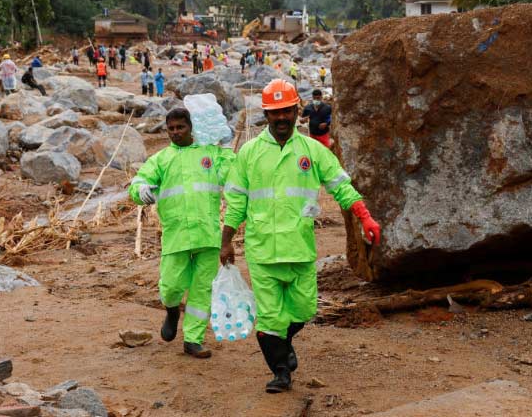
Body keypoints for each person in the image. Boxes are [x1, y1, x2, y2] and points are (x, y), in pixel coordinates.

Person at [221, 79, 380, 393]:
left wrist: (364, 215)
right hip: (262, 250)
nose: (281, 118)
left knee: (304, 310)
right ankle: (281, 371)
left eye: (286, 112)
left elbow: (340, 186)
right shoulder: (250, 153)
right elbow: (237, 201)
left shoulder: (312, 150)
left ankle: (283, 343)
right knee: (270, 318)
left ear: (297, 111)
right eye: (274, 113)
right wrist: (225, 241)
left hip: (300, 248)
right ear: (265, 115)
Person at [129, 108, 235, 359]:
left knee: (202, 290)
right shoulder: (162, 159)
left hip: (207, 235)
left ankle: (193, 340)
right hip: (176, 235)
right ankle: (172, 310)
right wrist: (140, 190)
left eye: (180, 127)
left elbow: (232, 173)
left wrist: (227, 147)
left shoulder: (209, 153)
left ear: (191, 128)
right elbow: (138, 182)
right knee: (171, 286)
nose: (175, 133)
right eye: (171, 129)